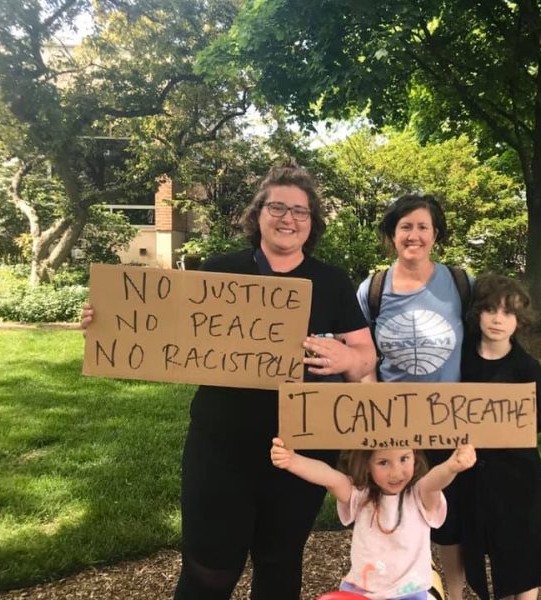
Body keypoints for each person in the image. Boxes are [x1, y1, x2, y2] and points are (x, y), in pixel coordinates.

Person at [82, 164, 376, 600]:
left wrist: (346, 356)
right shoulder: (221, 271)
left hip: (300, 450)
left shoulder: (331, 282)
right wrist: (108, 322)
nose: (288, 218)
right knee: (209, 570)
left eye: (301, 211)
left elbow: (365, 358)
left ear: (312, 223)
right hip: (221, 445)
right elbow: (164, 331)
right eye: (277, 206)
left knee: (279, 565)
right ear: (258, 213)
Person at [356, 194, 471, 599]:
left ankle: (453, 594)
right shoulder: (372, 289)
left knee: (447, 521)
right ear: (391, 235)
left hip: (446, 421)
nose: (414, 235)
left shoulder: (459, 284)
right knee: (386, 515)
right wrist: (371, 404)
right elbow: (362, 354)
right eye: (405, 227)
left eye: (423, 226)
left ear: (435, 234)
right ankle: (385, 589)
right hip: (392, 428)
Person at [270, 438, 477, 600]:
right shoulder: (360, 497)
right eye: (383, 462)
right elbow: (329, 477)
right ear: (367, 463)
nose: (396, 472)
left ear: (415, 456)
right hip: (360, 594)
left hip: (410, 595)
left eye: (404, 459)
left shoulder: (420, 495)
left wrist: (451, 466)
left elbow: (434, 481)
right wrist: (293, 460)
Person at [456, 273, 541, 600]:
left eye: (508, 313)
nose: (498, 319)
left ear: (520, 321)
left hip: (516, 475)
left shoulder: (526, 368)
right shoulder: (461, 359)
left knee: (521, 550)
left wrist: (501, 425)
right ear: (477, 314)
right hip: (470, 474)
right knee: (476, 546)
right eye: (490, 310)